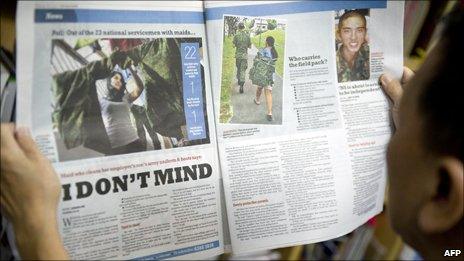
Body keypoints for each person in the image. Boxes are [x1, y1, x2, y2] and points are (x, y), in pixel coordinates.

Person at [1, 8, 463, 260]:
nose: (391, 109)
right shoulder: (452, 245)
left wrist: (36, 225)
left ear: (443, 192)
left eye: (410, 91)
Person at [99, 66, 145, 155]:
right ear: (109, 80)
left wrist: (130, 69)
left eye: (121, 79)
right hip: (113, 146)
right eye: (116, 78)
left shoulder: (126, 98)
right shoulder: (101, 101)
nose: (118, 81)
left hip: (133, 142)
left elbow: (140, 87)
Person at [336, 10, 370, 83]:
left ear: (365, 33)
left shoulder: (370, 54)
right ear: (339, 35)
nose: (353, 37)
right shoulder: (333, 62)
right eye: (347, 31)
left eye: (359, 30)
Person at [252, 36, 278, 121]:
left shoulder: (263, 50)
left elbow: (257, 60)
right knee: (269, 93)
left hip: (263, 74)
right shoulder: (275, 52)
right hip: (271, 75)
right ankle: (269, 112)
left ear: (266, 42)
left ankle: (257, 100)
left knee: (259, 88)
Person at [233, 22, 251, 94]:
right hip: (244, 56)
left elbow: (233, 45)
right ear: (243, 27)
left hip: (238, 56)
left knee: (238, 68)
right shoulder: (247, 36)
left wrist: (237, 44)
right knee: (243, 70)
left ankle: (238, 80)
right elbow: (250, 46)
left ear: (238, 27)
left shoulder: (236, 35)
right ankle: (241, 85)